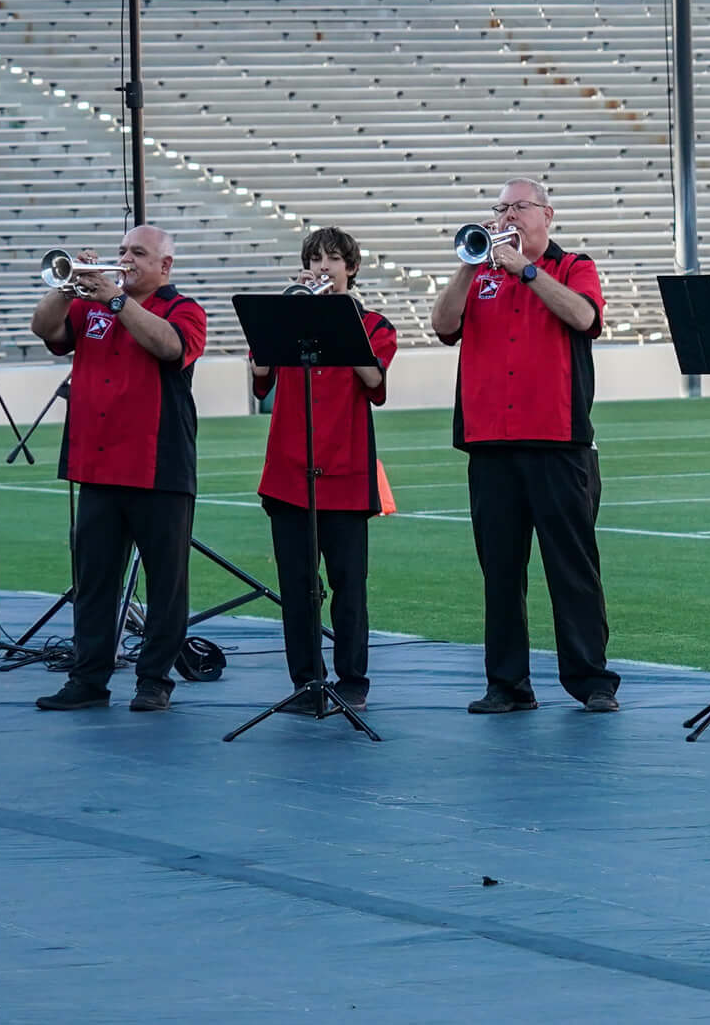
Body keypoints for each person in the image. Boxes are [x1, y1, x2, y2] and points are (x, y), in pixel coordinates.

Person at [433, 177, 620, 714]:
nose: (507, 217)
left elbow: (584, 317)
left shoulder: (572, 266)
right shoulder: (480, 273)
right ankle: (507, 684)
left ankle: (591, 680)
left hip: (558, 442)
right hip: (491, 442)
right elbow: (443, 324)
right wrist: (470, 266)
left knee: (573, 567)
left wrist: (526, 270)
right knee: (501, 570)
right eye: (500, 209)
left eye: (518, 207)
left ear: (547, 215)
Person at [31, 225, 207, 712]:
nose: (125, 259)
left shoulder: (183, 309)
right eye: (122, 251)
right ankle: (88, 678)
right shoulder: (89, 305)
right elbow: (43, 329)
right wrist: (66, 284)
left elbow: (170, 347)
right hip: (98, 462)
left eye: (138, 253)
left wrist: (115, 300)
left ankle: (154, 680)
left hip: (159, 464)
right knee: (94, 581)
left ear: (165, 266)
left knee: (165, 583)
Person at [252, 227, 397, 714]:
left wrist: (342, 320)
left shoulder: (374, 323)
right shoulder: (288, 321)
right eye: (316, 260)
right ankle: (306, 680)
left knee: (349, 585)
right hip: (289, 472)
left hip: (347, 471)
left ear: (351, 268)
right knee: (297, 586)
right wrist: (279, 323)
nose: (323, 269)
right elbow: (260, 382)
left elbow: (375, 381)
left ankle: (352, 678)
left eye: (333, 260)